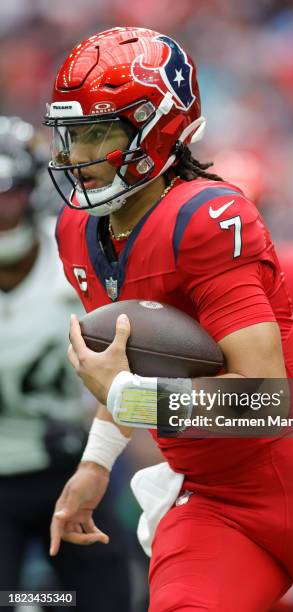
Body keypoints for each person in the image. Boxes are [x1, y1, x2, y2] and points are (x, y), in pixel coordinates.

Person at [44, 27, 293, 611]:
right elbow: (123, 366)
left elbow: (265, 398)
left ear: (156, 128)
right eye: (71, 136)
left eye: (98, 134)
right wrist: (95, 464)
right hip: (211, 495)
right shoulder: (78, 231)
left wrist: (133, 400)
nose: (76, 157)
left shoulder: (208, 218)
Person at [0, 116, 132, 612]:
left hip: (72, 463)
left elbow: (127, 364)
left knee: (105, 598)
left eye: (8, 193)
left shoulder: (73, 258)